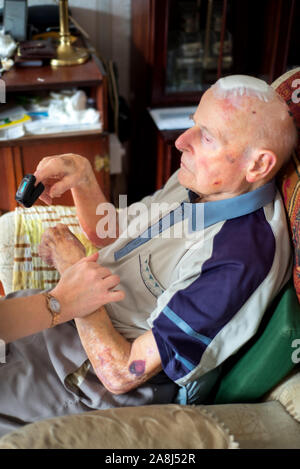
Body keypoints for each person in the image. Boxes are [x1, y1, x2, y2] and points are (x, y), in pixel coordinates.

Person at [0, 75, 298, 437]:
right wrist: (82, 177)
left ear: (257, 166)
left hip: (80, 380)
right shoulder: (202, 182)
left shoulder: (236, 261)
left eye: (206, 136)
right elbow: (111, 232)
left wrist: (73, 271)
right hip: (56, 323)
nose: (181, 142)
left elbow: (123, 373)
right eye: (193, 124)